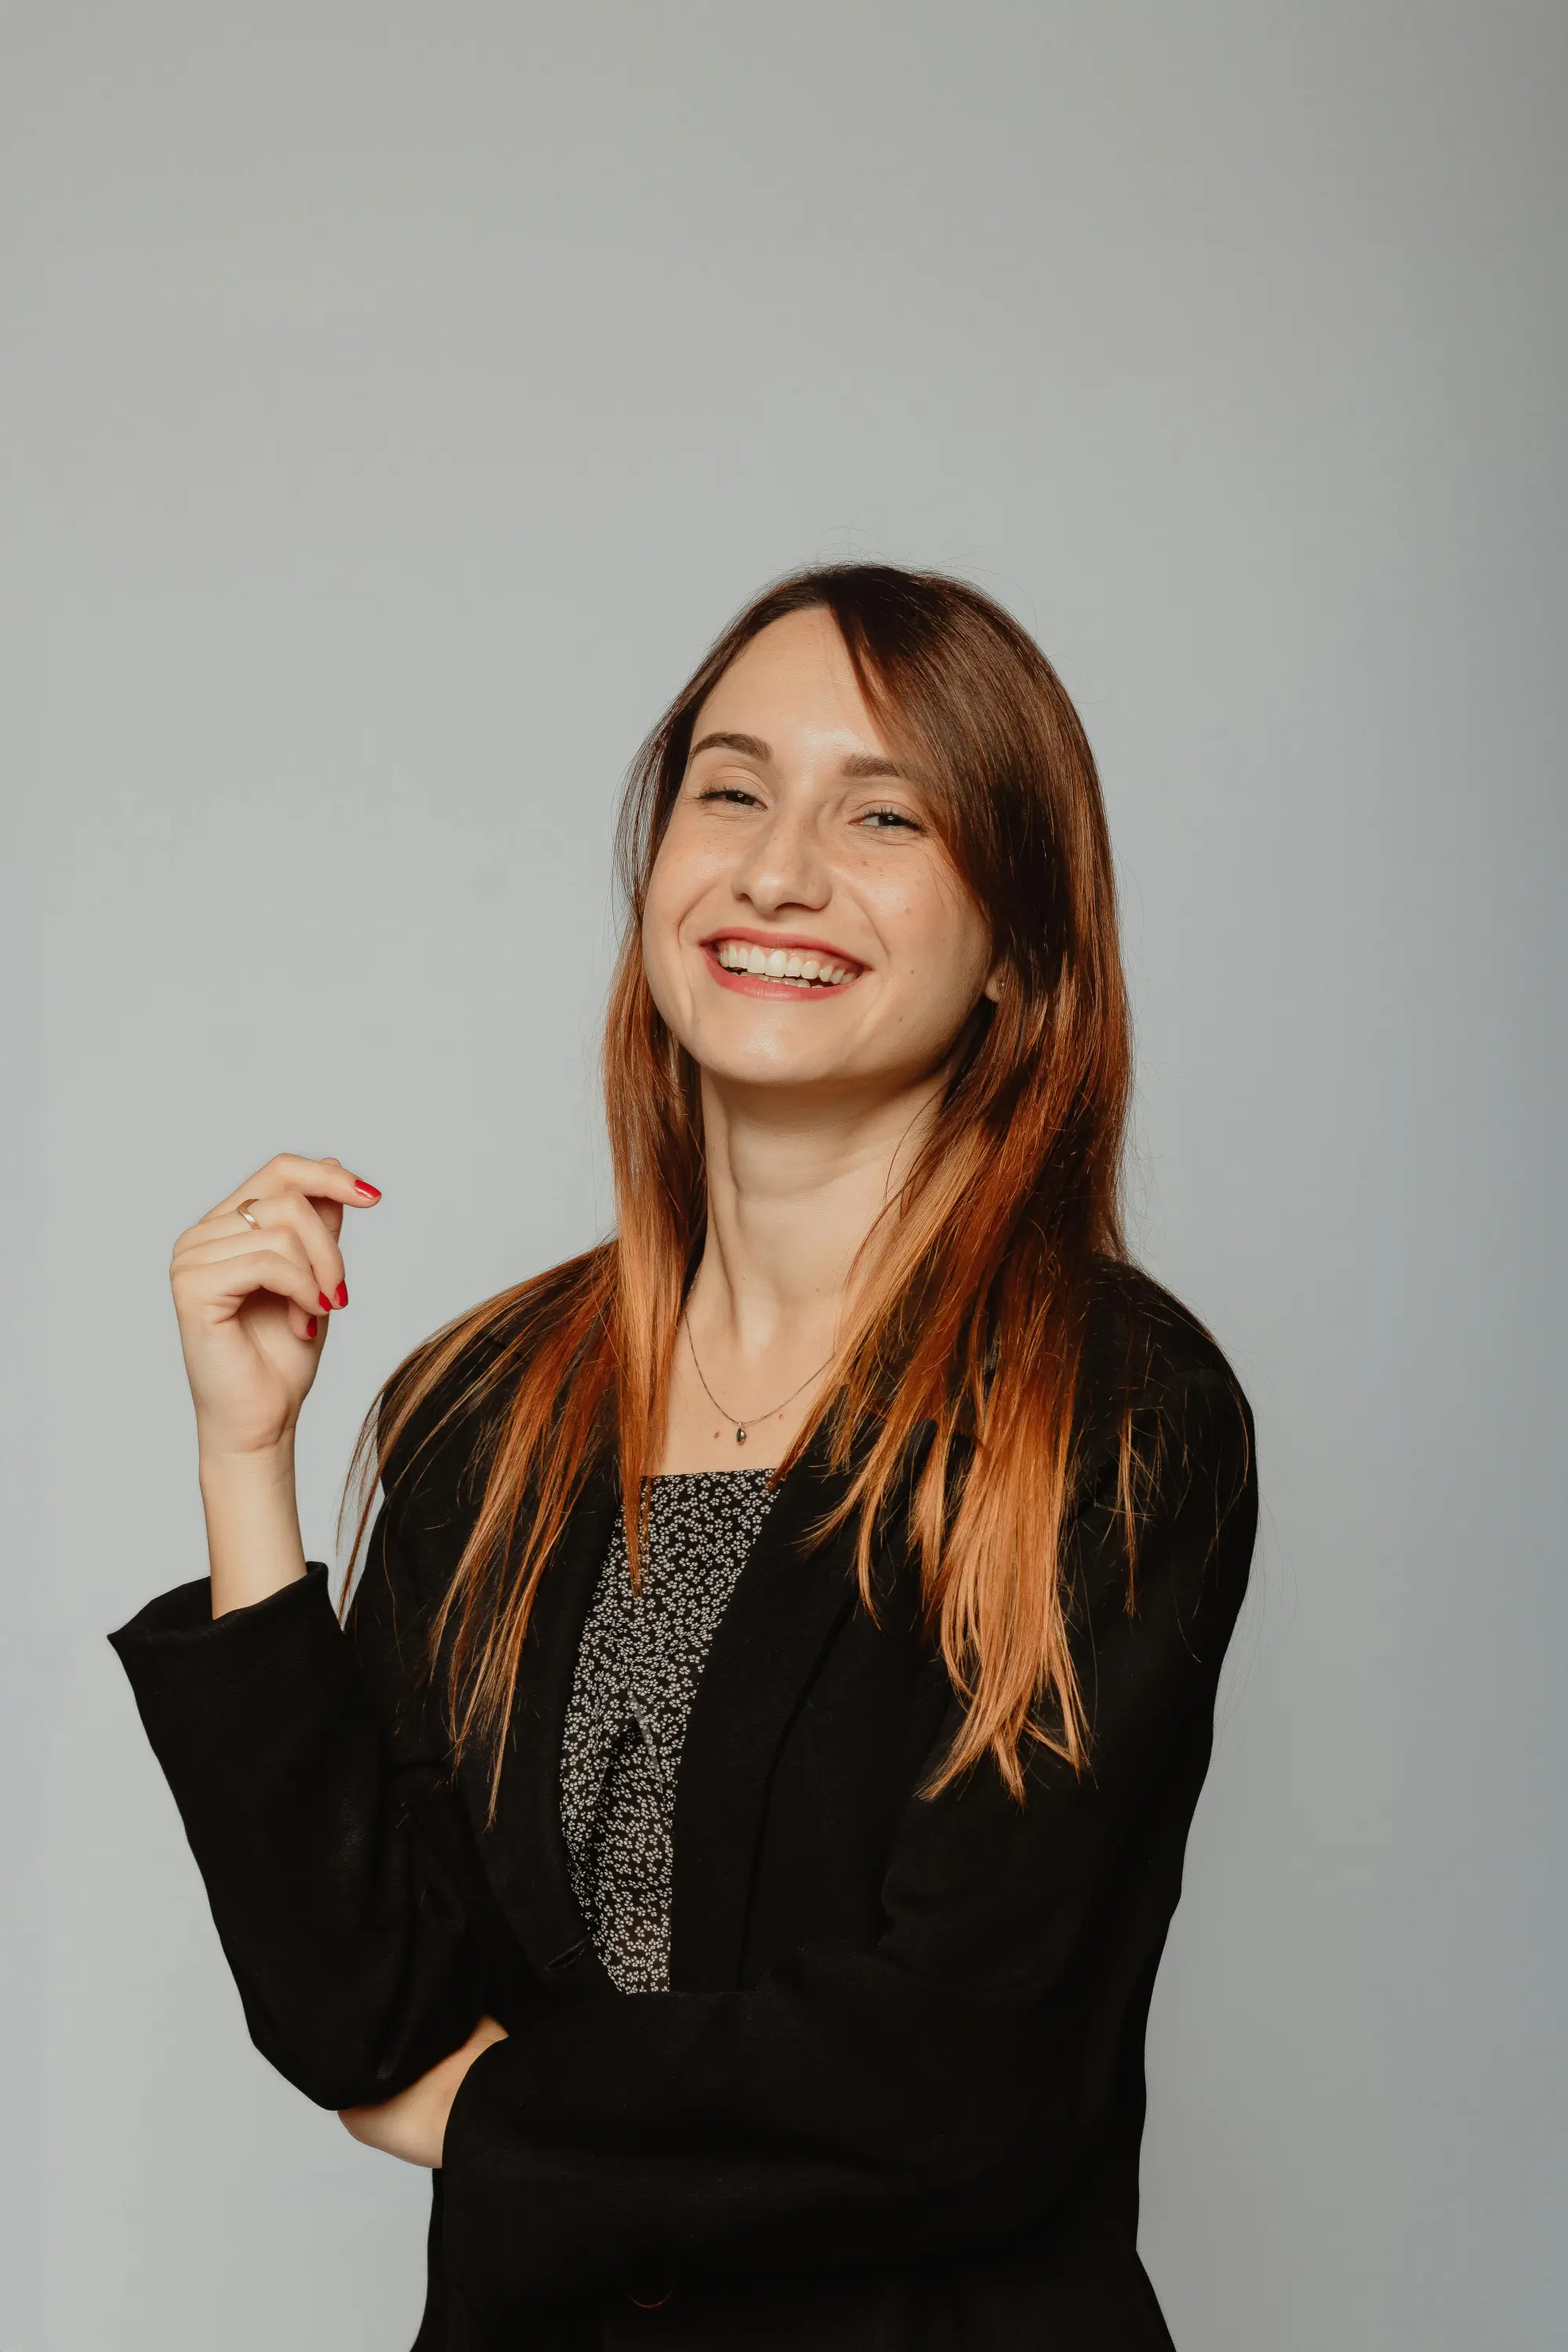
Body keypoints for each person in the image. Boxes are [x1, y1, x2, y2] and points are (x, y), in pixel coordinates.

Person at [110, 563, 1258, 2351]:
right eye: (731, 790)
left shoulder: (1104, 1406)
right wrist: (246, 1462)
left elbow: (953, 2071)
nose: (779, 867)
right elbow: (357, 2017)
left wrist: (489, 2121)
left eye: (885, 813)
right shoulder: (485, 1406)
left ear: (1020, 945)